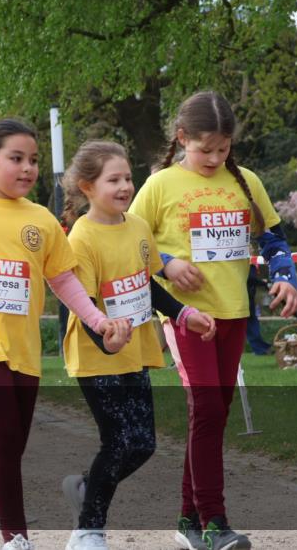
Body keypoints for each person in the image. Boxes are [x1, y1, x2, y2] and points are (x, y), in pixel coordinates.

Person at [0, 119, 131, 550]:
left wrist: (98, 322)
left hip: (22, 350)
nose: (27, 168)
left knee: (10, 443)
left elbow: (63, 281)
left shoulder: (41, 220)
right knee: (5, 438)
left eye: (34, 160)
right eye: (16, 159)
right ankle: (15, 539)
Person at [129, 91, 297, 550]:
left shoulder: (246, 181)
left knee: (214, 414)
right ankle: (214, 523)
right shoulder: (160, 185)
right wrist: (165, 263)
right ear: (182, 138)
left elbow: (274, 240)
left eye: (222, 149)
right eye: (205, 149)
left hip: (233, 315)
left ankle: (188, 518)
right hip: (186, 317)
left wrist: (287, 279)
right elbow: (124, 245)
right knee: (205, 408)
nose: (214, 158)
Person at [57, 141, 216, 550]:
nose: (125, 186)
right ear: (86, 187)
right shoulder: (82, 237)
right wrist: (106, 339)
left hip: (136, 352)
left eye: (128, 177)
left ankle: (87, 487)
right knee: (118, 442)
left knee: (143, 444)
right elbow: (83, 304)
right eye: (114, 179)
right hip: (97, 356)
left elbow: (147, 285)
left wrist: (184, 314)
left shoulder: (139, 227)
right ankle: (88, 530)